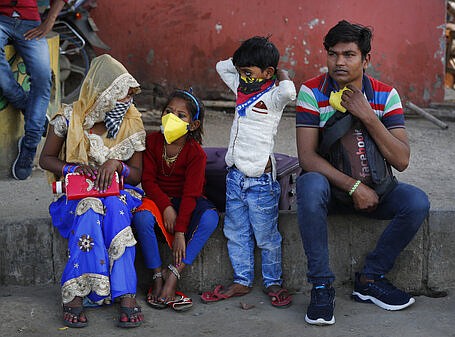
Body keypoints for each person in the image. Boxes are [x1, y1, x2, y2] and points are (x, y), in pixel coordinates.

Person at [295, 20, 430, 325]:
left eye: (349, 54)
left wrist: (368, 116)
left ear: (366, 59)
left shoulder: (386, 96)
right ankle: (320, 285)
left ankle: (370, 279)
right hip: (332, 191)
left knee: (416, 202)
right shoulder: (311, 91)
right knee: (309, 184)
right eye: (333, 54)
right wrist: (354, 187)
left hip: (377, 188)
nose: (339, 62)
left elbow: (401, 160)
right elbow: (307, 157)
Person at [39, 54, 146, 328]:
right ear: (102, 94)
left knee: (116, 210)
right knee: (89, 207)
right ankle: (76, 292)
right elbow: (46, 159)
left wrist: (117, 165)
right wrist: (73, 170)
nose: (128, 102)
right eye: (121, 95)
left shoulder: (131, 121)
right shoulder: (68, 118)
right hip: (76, 194)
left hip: (119, 192)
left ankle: (125, 293)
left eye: (130, 96)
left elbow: (136, 175)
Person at [200, 36, 296, 308]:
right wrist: (241, 61)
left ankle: (272, 281)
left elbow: (290, 93)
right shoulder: (241, 88)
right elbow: (222, 67)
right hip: (235, 178)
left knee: (266, 236)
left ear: (268, 73)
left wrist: (282, 74)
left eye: (249, 72)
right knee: (235, 231)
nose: (243, 76)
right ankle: (242, 280)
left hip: (261, 182)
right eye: (241, 72)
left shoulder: (274, 96)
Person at [132, 89, 219, 311]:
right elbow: (148, 182)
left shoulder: (196, 153)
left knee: (210, 218)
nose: (173, 118)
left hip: (186, 201)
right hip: (158, 198)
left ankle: (173, 276)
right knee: (141, 218)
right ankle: (157, 276)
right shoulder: (151, 141)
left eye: (181, 115)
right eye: (168, 112)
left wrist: (180, 232)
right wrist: (167, 207)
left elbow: (191, 194)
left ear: (194, 125)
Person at [0, 0, 67, 180]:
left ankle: (29, 145)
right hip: (1, 20)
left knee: (42, 78)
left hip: (30, 22)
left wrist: (49, 22)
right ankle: (31, 111)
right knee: (4, 82)